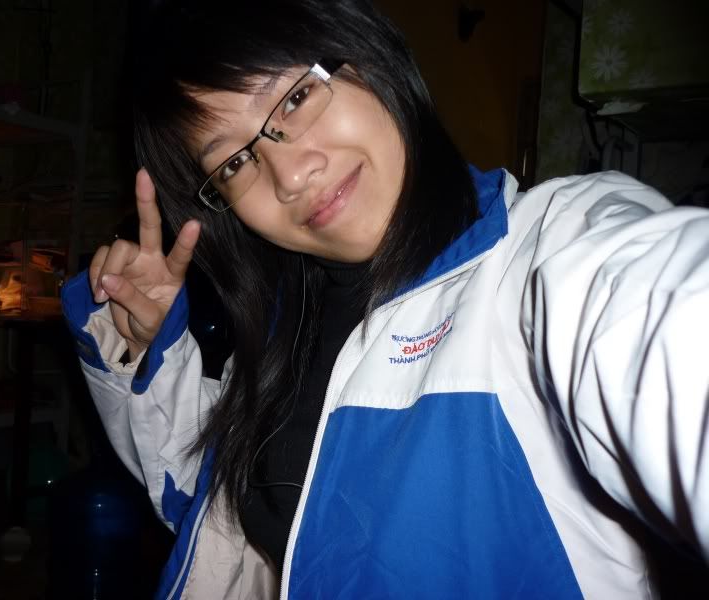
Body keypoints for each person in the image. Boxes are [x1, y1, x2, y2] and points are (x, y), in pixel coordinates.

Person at [61, 0, 709, 597]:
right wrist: (151, 351)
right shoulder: (289, 329)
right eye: (234, 162)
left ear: (368, 56)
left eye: (294, 97)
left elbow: (662, 324)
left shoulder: (549, 257)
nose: (290, 175)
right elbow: (218, 512)